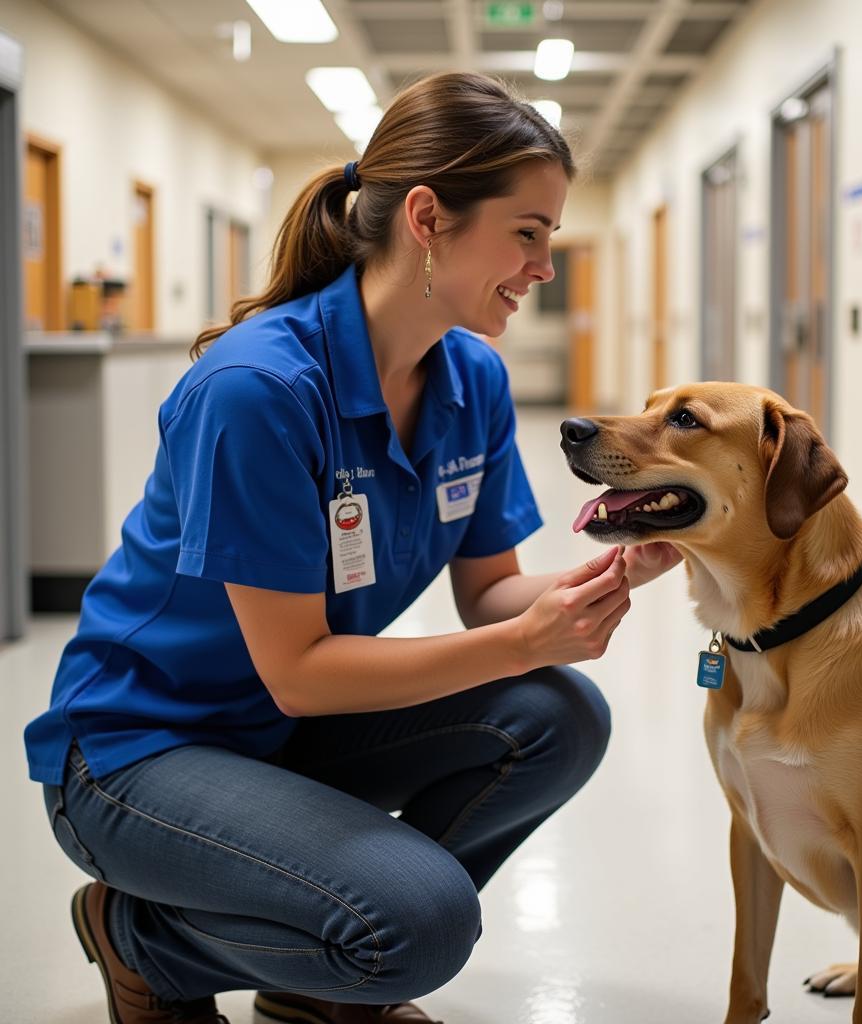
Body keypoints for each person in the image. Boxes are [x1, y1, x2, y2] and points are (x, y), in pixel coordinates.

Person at [24, 72, 681, 1024]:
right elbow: (299, 672)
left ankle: (311, 978)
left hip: (282, 735)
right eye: (527, 233)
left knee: (557, 714)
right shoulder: (260, 390)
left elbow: (491, 593)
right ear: (427, 217)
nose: (544, 266)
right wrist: (522, 641)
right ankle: (141, 938)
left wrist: (609, 571)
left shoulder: (471, 379)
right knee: (415, 925)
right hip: (143, 751)